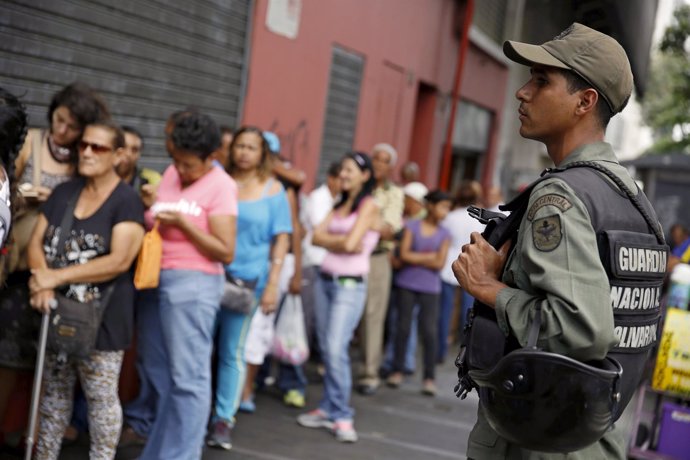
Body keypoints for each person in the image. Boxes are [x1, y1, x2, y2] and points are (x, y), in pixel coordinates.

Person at [453, 23, 666, 459]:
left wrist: (489, 288)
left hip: (540, 440)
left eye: (541, 80)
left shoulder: (561, 197)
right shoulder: (632, 200)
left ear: (584, 102)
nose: (522, 92)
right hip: (593, 438)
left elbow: (580, 328)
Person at [26, 121, 145, 459]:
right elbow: (36, 242)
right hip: (57, 310)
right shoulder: (65, 192)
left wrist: (54, 278)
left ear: (118, 155)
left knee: (101, 397)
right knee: (53, 394)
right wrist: (40, 281)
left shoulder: (126, 201)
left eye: (99, 147)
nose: (87, 152)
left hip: (103, 317)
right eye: (84, 145)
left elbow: (119, 261)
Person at [0, 83, 109, 449]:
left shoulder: (84, 159)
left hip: (59, 275)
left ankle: (32, 436)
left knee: (48, 362)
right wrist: (27, 199)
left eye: (72, 127)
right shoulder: (27, 141)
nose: (62, 131)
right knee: (9, 356)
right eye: (59, 121)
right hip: (19, 268)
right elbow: (7, 187)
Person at [134, 111, 237, 460]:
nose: (180, 169)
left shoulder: (222, 185)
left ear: (212, 157)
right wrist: (154, 205)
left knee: (188, 379)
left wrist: (183, 223)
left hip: (193, 284)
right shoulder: (171, 172)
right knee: (160, 373)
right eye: (175, 160)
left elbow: (224, 250)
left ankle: (183, 455)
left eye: (188, 164)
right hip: (155, 278)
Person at [206, 126, 290, 450]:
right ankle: (196, 412)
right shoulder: (219, 182)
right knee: (199, 347)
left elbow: (281, 239)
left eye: (251, 147)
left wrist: (272, 285)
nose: (243, 152)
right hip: (208, 274)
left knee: (231, 351)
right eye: (239, 145)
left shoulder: (273, 190)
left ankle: (223, 419)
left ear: (262, 154)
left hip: (248, 282)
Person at [297, 151, 379, 443]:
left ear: (365, 175)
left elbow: (351, 242)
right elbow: (315, 237)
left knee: (334, 348)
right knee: (326, 345)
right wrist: (341, 243)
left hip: (348, 286)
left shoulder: (369, 206)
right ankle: (329, 407)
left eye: (349, 170)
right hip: (324, 281)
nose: (343, 175)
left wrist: (340, 242)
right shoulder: (340, 203)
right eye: (341, 170)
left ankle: (343, 415)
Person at [386, 190, 451, 396]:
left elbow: (439, 263)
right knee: (402, 328)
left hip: (430, 287)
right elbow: (403, 254)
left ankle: (429, 377)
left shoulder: (445, 234)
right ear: (430, 206)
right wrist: (428, 257)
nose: (445, 212)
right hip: (406, 283)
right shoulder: (411, 227)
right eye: (442, 207)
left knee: (429, 332)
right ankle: (397, 370)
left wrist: (417, 258)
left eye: (448, 208)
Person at [356, 143, 403, 396]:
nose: (378, 163)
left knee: (373, 316)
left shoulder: (393, 193)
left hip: (376, 257)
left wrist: (361, 222)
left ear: (391, 166)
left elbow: (389, 228)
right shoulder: (359, 186)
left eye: (384, 160)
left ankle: (368, 372)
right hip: (350, 253)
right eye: (375, 158)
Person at [437, 180, 484, 362]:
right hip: (471, 264)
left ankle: (440, 351)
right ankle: (464, 352)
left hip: (448, 264)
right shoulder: (478, 217)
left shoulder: (450, 217)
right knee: (469, 312)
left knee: (445, 311)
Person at [116, 126, 161, 193]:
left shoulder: (151, 180)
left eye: (134, 150)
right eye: (122, 146)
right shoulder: (98, 177)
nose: (128, 154)